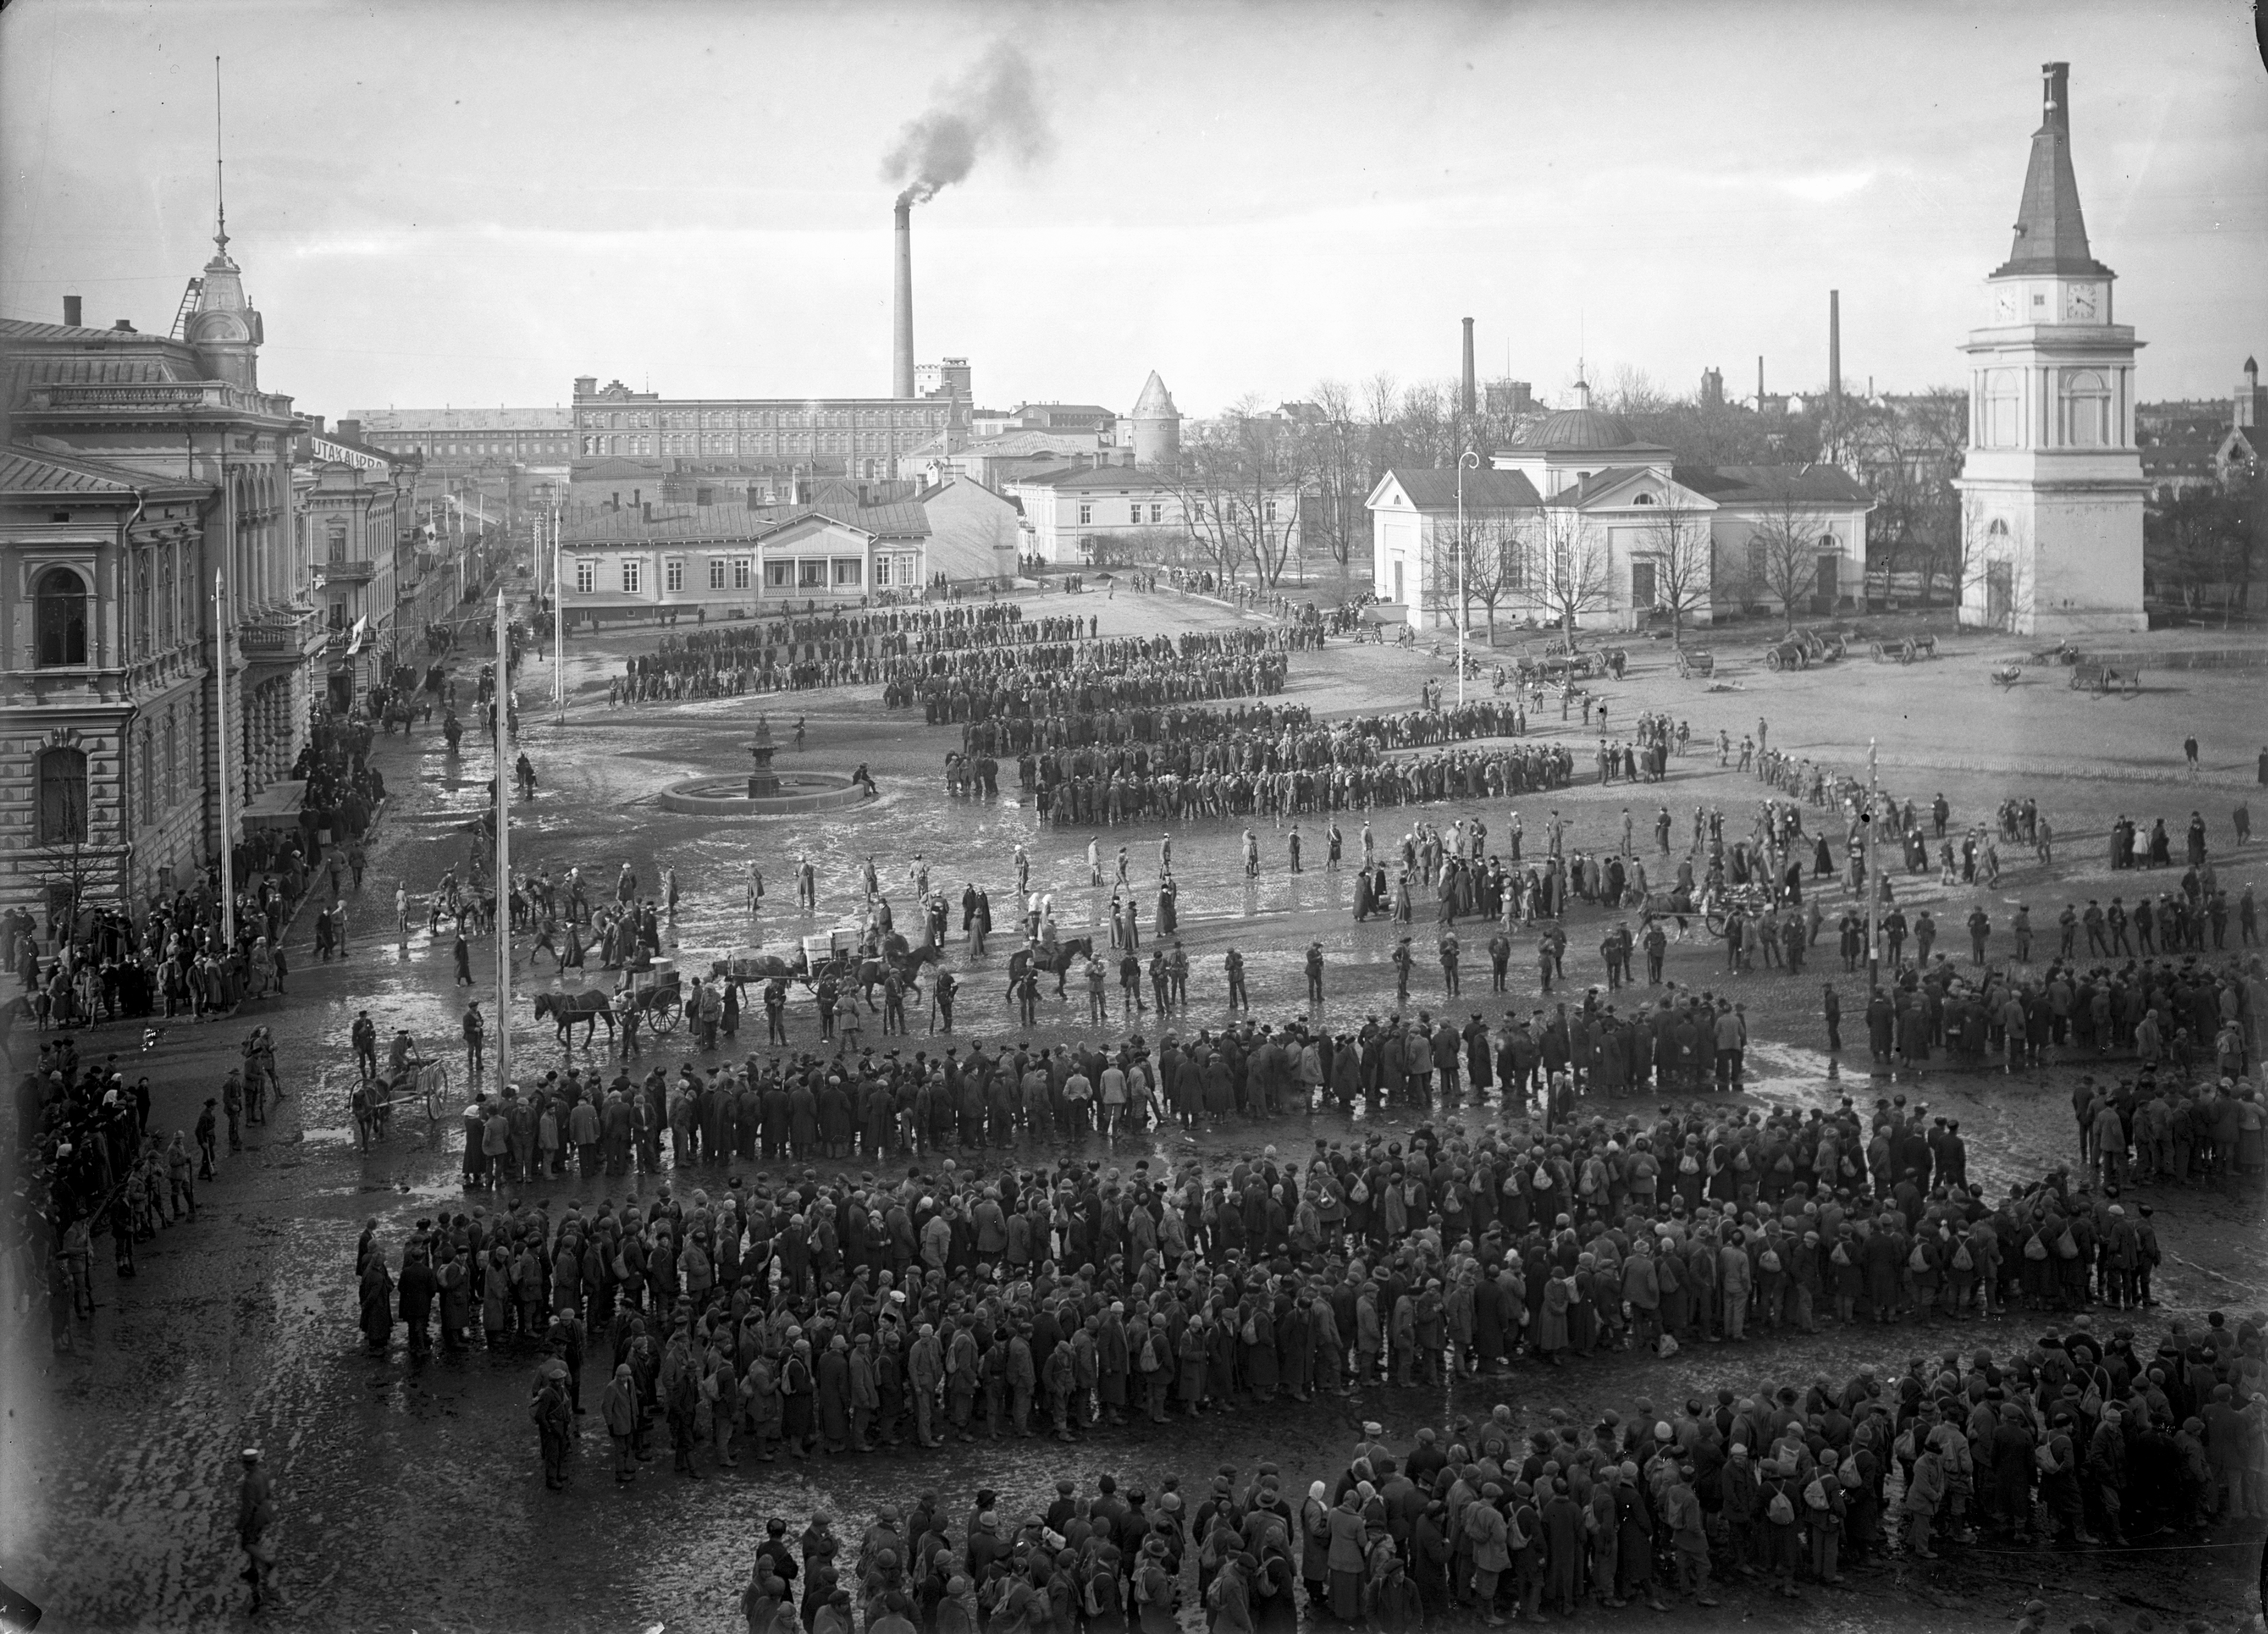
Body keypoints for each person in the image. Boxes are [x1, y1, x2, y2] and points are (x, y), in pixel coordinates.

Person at [237, 1449, 277, 1613]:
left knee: (247, 1543)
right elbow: (269, 1493)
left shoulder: (248, 1482)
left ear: (246, 1464)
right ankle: (253, 1570)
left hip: (254, 1516)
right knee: (256, 1539)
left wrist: (241, 1524)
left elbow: (248, 1507)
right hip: (265, 1510)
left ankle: (267, 1561)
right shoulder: (264, 1475)